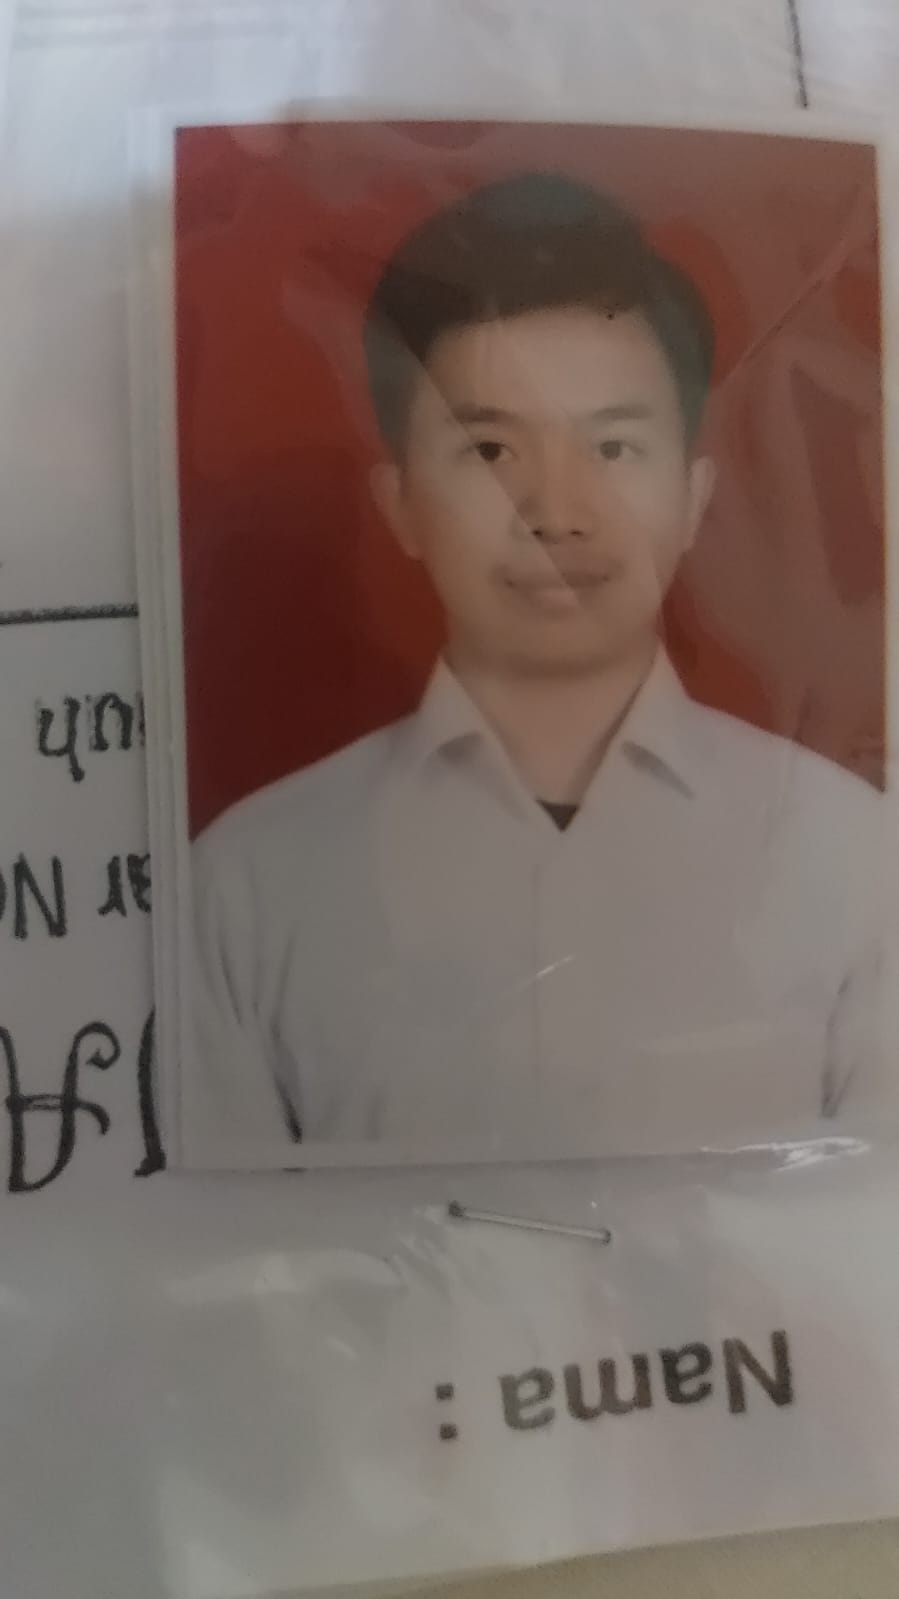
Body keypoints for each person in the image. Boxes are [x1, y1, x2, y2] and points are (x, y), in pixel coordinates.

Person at [185, 172, 884, 1166]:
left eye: (613, 446)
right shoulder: (249, 883)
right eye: (488, 451)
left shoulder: (852, 855)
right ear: (400, 505)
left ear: (693, 498)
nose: (555, 512)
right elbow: (217, 1250)